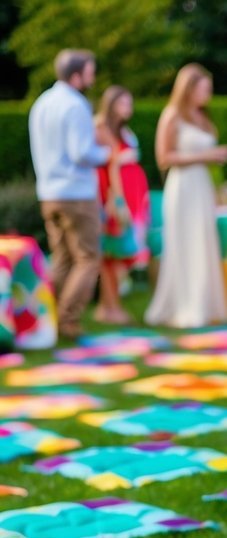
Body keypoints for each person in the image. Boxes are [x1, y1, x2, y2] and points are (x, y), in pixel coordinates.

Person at [29, 49, 111, 340]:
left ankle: (46, 317)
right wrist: (107, 152)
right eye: (90, 71)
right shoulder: (76, 105)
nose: (93, 77)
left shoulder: (42, 103)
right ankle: (68, 321)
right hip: (76, 193)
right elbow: (81, 153)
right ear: (76, 75)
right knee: (88, 258)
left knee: (62, 259)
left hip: (49, 193)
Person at [145, 63, 227, 328]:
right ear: (189, 88)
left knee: (203, 243)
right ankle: (184, 305)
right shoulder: (172, 115)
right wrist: (206, 155)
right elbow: (163, 157)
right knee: (185, 243)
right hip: (182, 187)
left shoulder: (202, 117)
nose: (208, 94)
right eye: (205, 89)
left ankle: (205, 303)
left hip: (202, 186)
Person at [94, 86, 150, 324]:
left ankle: (110, 306)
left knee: (121, 253)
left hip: (132, 196)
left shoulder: (122, 130)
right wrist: (116, 201)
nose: (128, 108)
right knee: (112, 254)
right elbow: (111, 167)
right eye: (123, 103)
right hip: (115, 199)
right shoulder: (101, 128)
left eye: (130, 103)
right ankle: (110, 306)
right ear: (111, 104)